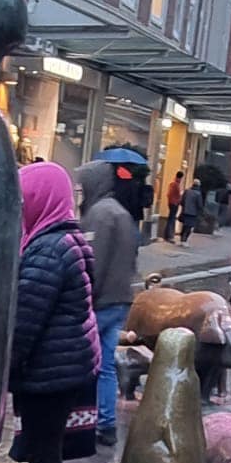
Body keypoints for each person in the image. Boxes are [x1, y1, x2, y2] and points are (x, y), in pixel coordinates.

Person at [2, 164, 99, 463]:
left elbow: (25, 322)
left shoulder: (48, 249)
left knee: (45, 458)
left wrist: (4, 373)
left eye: (25, 197)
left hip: (51, 371)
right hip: (63, 366)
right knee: (46, 454)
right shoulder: (65, 239)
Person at [77, 160, 138, 447]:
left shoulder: (99, 214)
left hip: (100, 302)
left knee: (81, 360)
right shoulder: (121, 213)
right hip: (120, 299)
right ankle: (106, 422)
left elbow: (94, 263)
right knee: (106, 365)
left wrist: (85, 297)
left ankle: (79, 420)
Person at [178, 179, 205, 244]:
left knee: (184, 226)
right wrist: (201, 212)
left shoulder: (187, 191)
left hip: (185, 211)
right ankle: (184, 240)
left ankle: (182, 239)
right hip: (193, 213)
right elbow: (199, 205)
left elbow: (182, 201)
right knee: (189, 227)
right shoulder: (198, 194)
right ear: (198, 185)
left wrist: (184, 207)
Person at [164, 170, 184, 244]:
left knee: (171, 219)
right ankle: (169, 236)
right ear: (180, 177)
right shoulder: (176, 184)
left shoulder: (173, 183)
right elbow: (175, 194)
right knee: (172, 219)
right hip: (174, 204)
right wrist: (178, 199)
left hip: (172, 203)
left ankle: (167, 235)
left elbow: (169, 194)